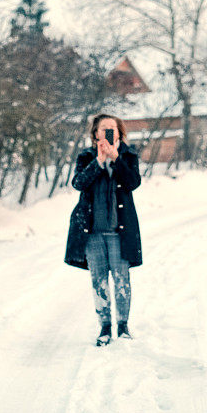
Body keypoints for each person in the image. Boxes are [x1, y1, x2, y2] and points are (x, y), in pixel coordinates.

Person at [64, 113, 142, 346]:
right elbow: (78, 183)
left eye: (112, 128)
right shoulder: (86, 157)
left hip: (120, 232)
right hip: (92, 233)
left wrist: (116, 158)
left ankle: (123, 325)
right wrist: (98, 162)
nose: (108, 132)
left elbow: (133, 183)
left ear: (119, 133)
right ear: (95, 133)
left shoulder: (128, 155)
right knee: (99, 280)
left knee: (121, 280)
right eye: (103, 128)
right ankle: (105, 327)